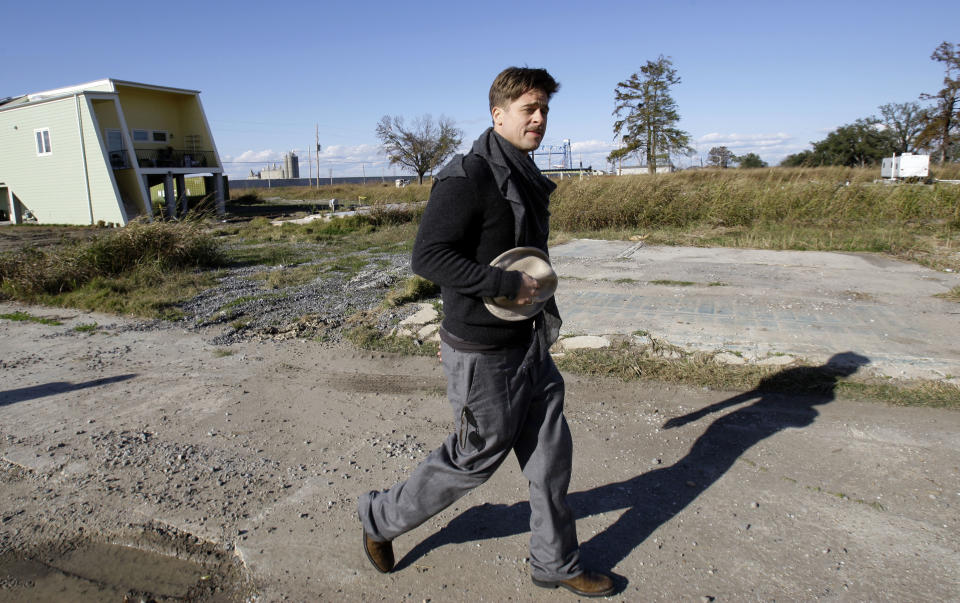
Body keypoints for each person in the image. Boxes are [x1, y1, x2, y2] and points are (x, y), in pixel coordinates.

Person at [357, 66, 615, 597]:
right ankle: (380, 517)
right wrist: (503, 282)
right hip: (482, 353)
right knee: (472, 459)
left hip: (528, 344)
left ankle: (556, 563)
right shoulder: (469, 175)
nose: (540, 119)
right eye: (529, 109)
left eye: (545, 109)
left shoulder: (523, 174)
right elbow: (427, 256)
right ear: (498, 115)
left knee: (550, 460)